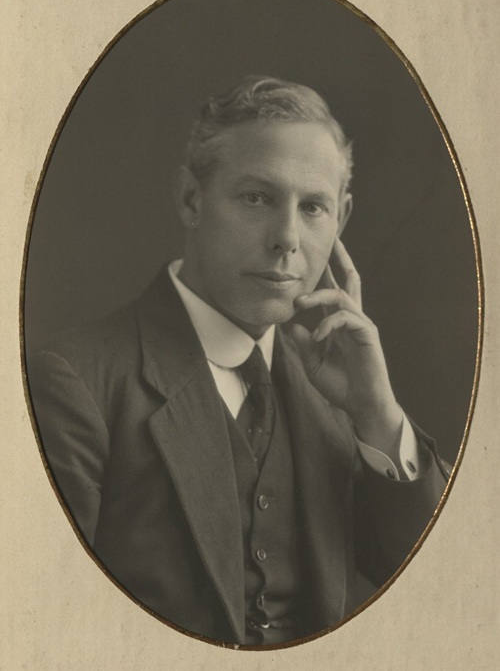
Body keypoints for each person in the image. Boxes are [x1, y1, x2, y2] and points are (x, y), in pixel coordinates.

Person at [28, 76, 448, 646]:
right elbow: (46, 623)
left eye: (314, 208)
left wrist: (377, 414)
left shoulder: (336, 393)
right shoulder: (76, 382)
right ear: (191, 200)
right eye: (257, 198)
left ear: (342, 220)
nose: (287, 238)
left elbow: (439, 588)